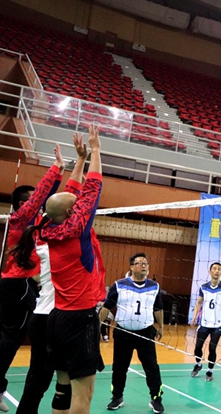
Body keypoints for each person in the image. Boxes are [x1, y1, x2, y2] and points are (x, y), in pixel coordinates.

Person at [11, 124, 104, 414]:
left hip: (55, 316)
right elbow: (91, 189)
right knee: (73, 393)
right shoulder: (76, 231)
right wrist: (95, 151)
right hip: (74, 316)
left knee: (60, 387)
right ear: (69, 213)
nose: (77, 203)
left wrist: (79, 160)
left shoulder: (43, 229)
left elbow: (69, 194)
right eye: (74, 206)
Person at [0, 144, 64, 412]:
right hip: (19, 284)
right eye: (32, 201)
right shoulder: (19, 218)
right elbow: (40, 196)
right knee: (13, 337)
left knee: (10, 337)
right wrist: (56, 168)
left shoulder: (31, 222)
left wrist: (59, 176)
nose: (38, 204)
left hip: (17, 284)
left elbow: (46, 200)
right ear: (21, 205)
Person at [100, 253, 164, 413]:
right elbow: (107, 306)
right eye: (140, 263)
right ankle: (117, 397)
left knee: (152, 367)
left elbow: (158, 308)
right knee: (119, 367)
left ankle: (156, 398)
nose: (144, 265)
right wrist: (97, 326)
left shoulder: (154, 286)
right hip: (123, 332)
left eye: (146, 263)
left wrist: (161, 327)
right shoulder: (119, 285)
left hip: (145, 333)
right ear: (131, 267)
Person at [190, 262, 221, 381]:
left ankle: (210, 371)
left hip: (217, 325)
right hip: (204, 323)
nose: (216, 271)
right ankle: (198, 364)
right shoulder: (203, 287)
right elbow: (198, 303)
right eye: (214, 268)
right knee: (198, 347)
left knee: (212, 349)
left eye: (219, 269)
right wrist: (194, 317)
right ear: (210, 271)